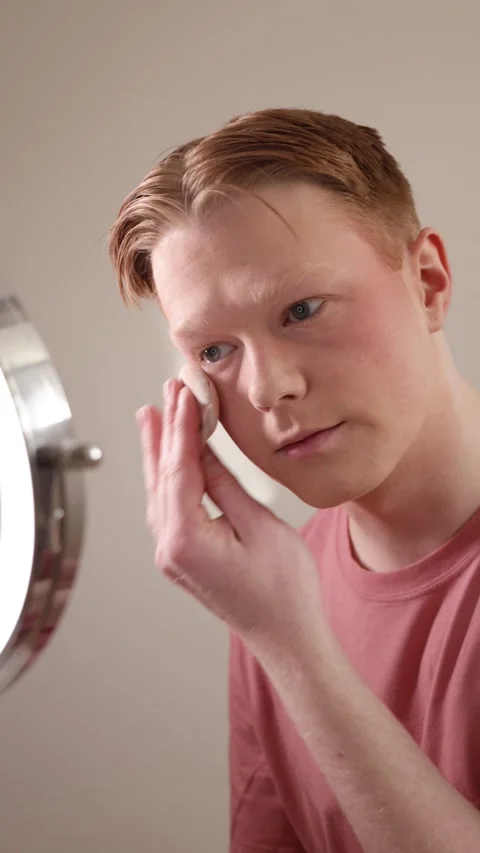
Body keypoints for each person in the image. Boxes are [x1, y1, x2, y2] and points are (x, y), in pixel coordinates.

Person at [108, 108, 480, 853]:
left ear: (430, 282)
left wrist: (292, 646)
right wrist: (276, 632)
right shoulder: (275, 592)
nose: (268, 386)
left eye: (301, 309)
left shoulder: (277, 615)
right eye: (215, 351)